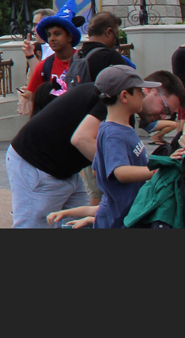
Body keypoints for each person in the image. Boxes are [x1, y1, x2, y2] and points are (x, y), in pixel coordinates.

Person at [7, 67, 183, 228]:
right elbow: (82, 138)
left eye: (170, 114)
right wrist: (120, 171)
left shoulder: (124, 118)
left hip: (65, 170)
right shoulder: (109, 105)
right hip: (36, 164)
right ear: (148, 91)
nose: (164, 115)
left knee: (73, 224)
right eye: (165, 108)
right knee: (34, 225)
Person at [47, 66, 165, 229]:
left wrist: (88, 217)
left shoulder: (121, 129)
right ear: (125, 96)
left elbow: (109, 196)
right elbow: (120, 172)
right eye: (139, 91)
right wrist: (159, 171)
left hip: (122, 218)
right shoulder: (113, 134)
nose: (144, 94)